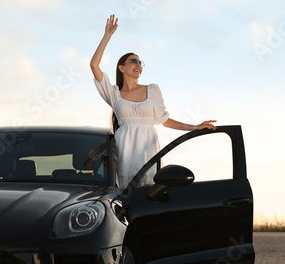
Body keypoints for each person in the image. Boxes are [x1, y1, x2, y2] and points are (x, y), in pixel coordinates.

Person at [90, 14, 216, 188]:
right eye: (133, 61)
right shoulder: (113, 93)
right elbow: (94, 66)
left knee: (148, 192)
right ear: (122, 67)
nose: (138, 65)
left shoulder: (152, 89)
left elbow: (165, 121)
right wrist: (107, 36)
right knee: (123, 194)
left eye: (140, 62)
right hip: (123, 154)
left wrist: (195, 126)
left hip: (147, 153)